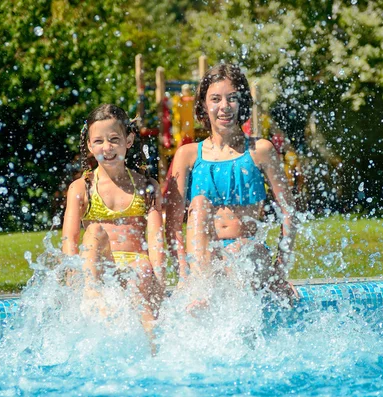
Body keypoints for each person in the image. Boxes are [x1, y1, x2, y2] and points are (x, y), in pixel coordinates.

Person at [164, 64, 298, 308]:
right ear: (204, 105)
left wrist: (279, 272)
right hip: (205, 260)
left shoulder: (261, 151)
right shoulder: (187, 155)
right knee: (200, 203)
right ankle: (201, 293)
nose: (224, 107)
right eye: (215, 99)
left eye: (232, 99)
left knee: (238, 252)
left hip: (248, 253)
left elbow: (289, 213)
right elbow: (172, 226)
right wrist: (183, 276)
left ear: (242, 103)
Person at [61, 104, 164, 339]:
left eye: (114, 139)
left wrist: (158, 282)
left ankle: (154, 349)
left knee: (139, 275)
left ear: (128, 140)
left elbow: (156, 242)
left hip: (137, 268)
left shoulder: (147, 187)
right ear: (89, 145)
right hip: (99, 270)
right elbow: (70, 242)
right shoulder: (81, 188)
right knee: (95, 231)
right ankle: (92, 297)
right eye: (98, 141)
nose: (107, 148)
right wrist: (71, 283)